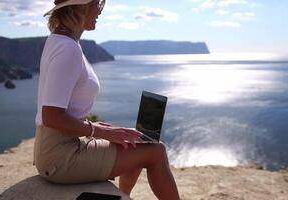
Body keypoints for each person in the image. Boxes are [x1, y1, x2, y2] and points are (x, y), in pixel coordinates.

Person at [33, 0, 180, 199]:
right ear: (80, 7)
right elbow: (51, 116)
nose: (100, 10)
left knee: (133, 139)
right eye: (97, 4)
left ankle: (123, 196)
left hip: (60, 146)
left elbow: (60, 108)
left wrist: (90, 125)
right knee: (157, 151)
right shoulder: (67, 49)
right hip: (60, 156)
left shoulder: (62, 41)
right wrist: (98, 131)